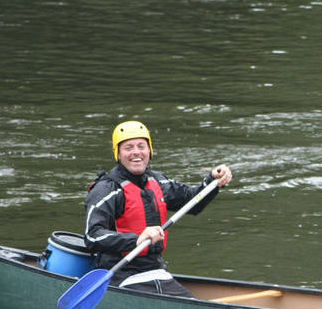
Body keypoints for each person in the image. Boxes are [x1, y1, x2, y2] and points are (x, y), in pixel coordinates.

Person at [84, 120, 233, 297]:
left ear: (150, 150)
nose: (136, 153)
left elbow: (193, 203)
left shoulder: (158, 182)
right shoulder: (107, 189)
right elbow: (92, 236)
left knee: (193, 304)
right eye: (128, 148)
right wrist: (137, 240)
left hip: (157, 271)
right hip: (121, 275)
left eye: (141, 146)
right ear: (118, 153)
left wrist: (212, 182)